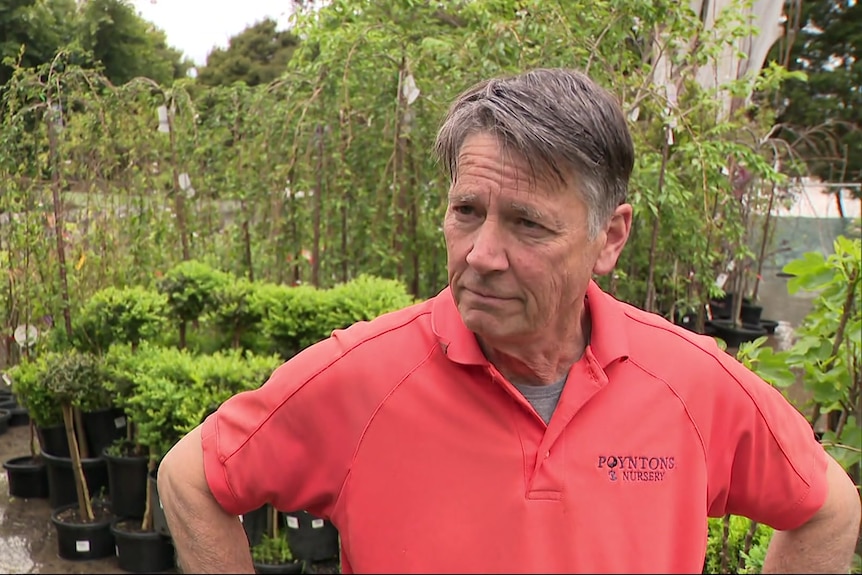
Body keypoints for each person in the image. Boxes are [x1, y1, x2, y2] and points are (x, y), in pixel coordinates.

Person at [157, 68, 860, 574]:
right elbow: (192, 477)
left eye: (527, 223)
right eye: (467, 211)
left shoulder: (690, 383)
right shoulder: (364, 377)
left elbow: (828, 507)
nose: (482, 254)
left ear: (610, 238)